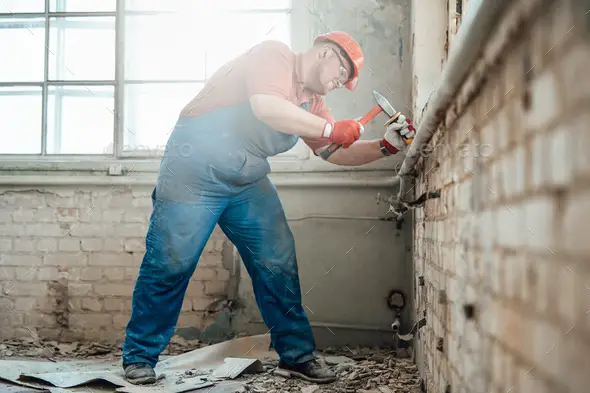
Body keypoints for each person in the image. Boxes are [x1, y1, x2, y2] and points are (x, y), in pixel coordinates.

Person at [121, 31, 416, 385]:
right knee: (172, 260)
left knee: (278, 260)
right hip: (194, 170)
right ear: (324, 52)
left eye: (348, 80)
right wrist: (330, 128)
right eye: (344, 71)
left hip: (246, 179)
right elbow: (267, 106)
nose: (342, 82)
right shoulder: (274, 56)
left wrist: (385, 146)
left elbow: (334, 151)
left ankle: (296, 355)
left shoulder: (314, 105)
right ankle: (139, 356)